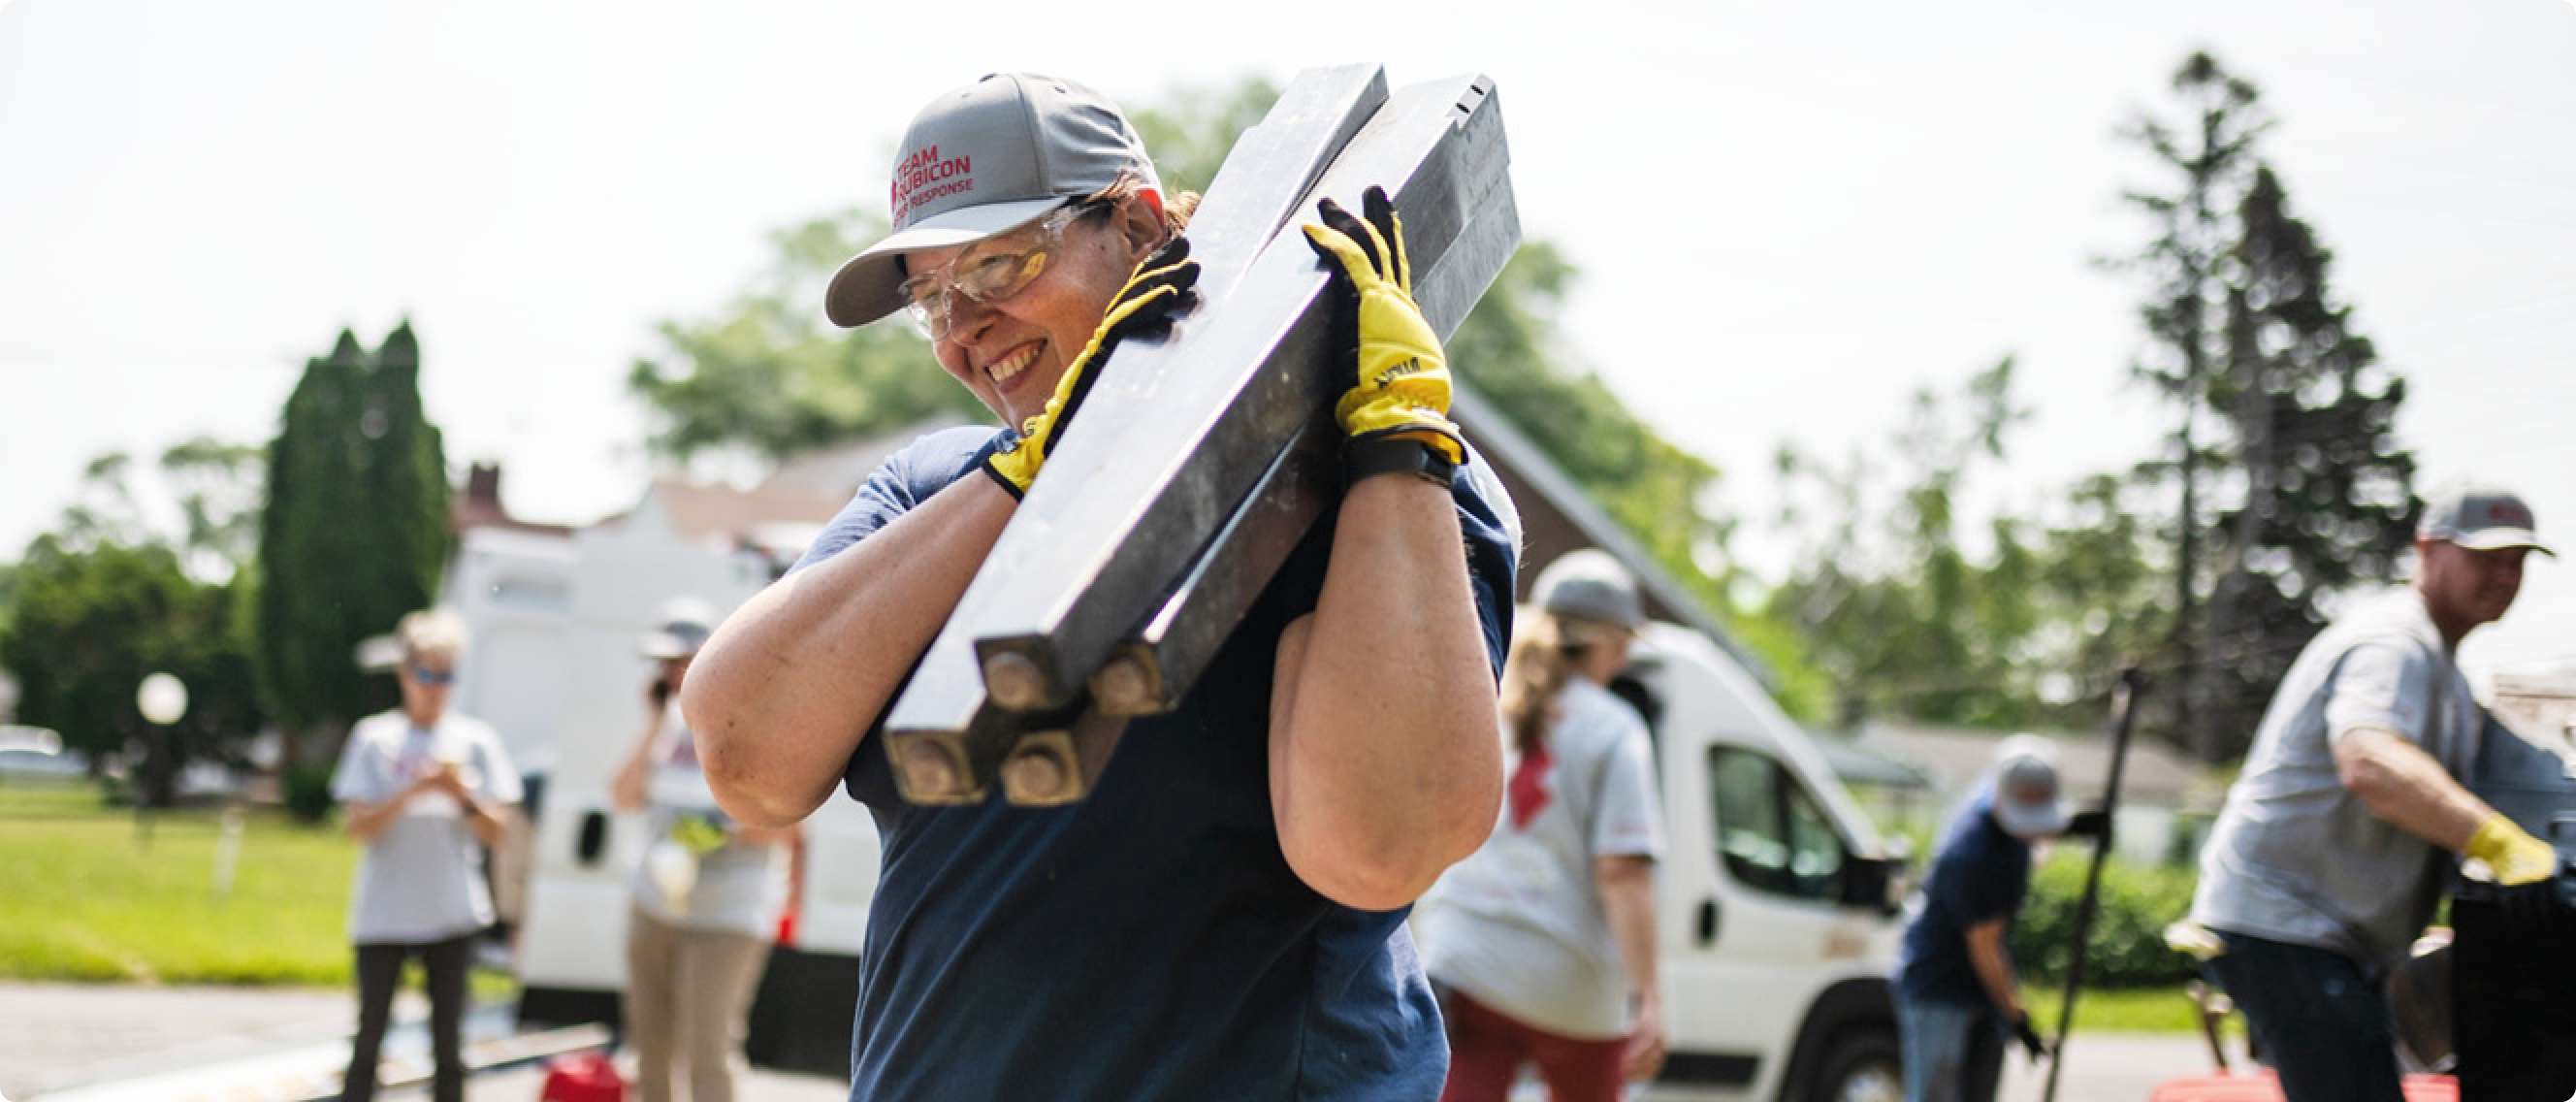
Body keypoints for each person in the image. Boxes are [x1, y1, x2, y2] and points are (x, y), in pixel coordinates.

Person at [681, 73, 1518, 1099]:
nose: (963, 329)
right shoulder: (931, 491)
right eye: (932, 298)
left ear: (1140, 224)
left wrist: (1397, 453)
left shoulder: (1381, 490)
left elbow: (1376, 847)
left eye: (997, 262)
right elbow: (747, 759)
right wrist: (1031, 470)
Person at [2186, 485, 2557, 1102]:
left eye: (2516, 560)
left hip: (2324, 938)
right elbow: (2369, 764)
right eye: (2485, 556)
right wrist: (2496, 842)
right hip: (2284, 924)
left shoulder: (2447, 673)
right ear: (2428, 550)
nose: (2504, 574)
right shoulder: (2392, 644)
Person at [1416, 549, 1667, 1102]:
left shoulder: (1489, 706)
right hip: (1568, 984)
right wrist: (1649, 996)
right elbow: (1622, 871)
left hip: (1467, 958)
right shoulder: (1614, 730)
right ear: (1610, 643)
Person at [330, 608, 522, 1102]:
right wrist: (413, 791)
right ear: (405, 674)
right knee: (369, 1037)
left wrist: (461, 794)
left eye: (447, 675)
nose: (436, 687)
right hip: (384, 912)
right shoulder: (374, 738)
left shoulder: (475, 741)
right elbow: (358, 828)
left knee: (449, 1044)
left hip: (451, 911)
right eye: (427, 674)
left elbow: (498, 834)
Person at [610, 600, 793, 1102]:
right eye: (664, 664)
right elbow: (623, 796)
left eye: (681, 661)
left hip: (727, 913)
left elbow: (784, 823)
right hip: (655, 905)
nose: (671, 673)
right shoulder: (666, 726)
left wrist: (715, 835)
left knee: (705, 1049)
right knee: (649, 1046)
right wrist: (651, 723)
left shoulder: (751, 721)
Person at [1894, 736, 2106, 1102]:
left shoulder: (1998, 801)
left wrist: (2072, 825)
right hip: (1939, 986)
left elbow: (2031, 818)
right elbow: (1985, 949)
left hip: (1980, 988)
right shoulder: (1971, 855)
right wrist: (2018, 1018)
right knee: (1936, 1096)